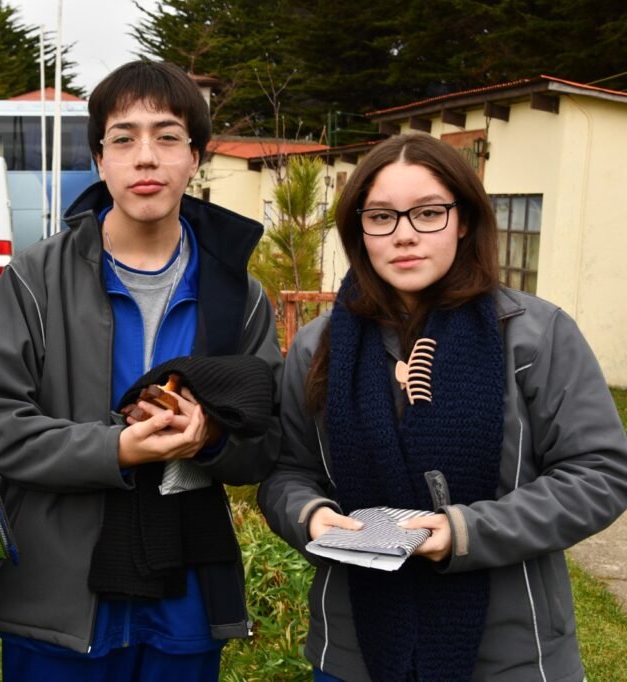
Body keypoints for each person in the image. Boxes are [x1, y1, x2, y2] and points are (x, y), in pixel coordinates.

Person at [258, 133, 627, 681]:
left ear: (464, 220)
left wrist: (466, 531)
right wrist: (309, 517)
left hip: (509, 655)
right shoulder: (319, 346)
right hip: (354, 654)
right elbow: (288, 472)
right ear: (359, 228)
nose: (404, 235)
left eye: (428, 213)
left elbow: (601, 472)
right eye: (381, 216)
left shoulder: (534, 336)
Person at [0, 60, 283, 680]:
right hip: (56, 593)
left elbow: (266, 441)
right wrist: (116, 449)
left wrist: (211, 439)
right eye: (123, 138)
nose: (146, 158)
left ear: (195, 159)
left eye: (167, 137)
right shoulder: (35, 279)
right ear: (99, 159)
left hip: (185, 591)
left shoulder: (237, 295)